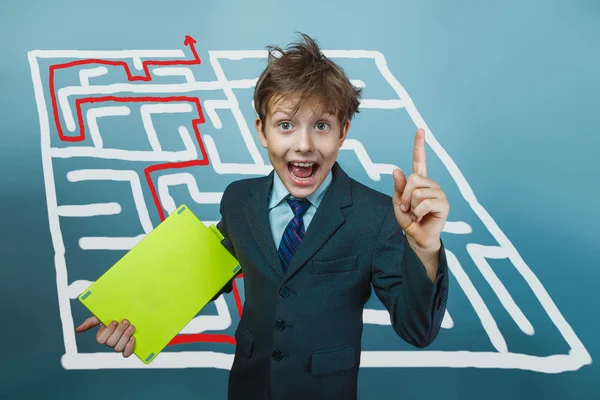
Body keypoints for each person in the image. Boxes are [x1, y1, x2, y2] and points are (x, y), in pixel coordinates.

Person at [76, 32, 450, 399]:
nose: (303, 144)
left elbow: (418, 330)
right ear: (263, 131)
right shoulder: (239, 201)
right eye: (286, 125)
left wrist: (426, 248)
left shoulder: (374, 214)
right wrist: (122, 308)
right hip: (249, 386)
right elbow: (203, 270)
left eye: (321, 126)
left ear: (342, 132)